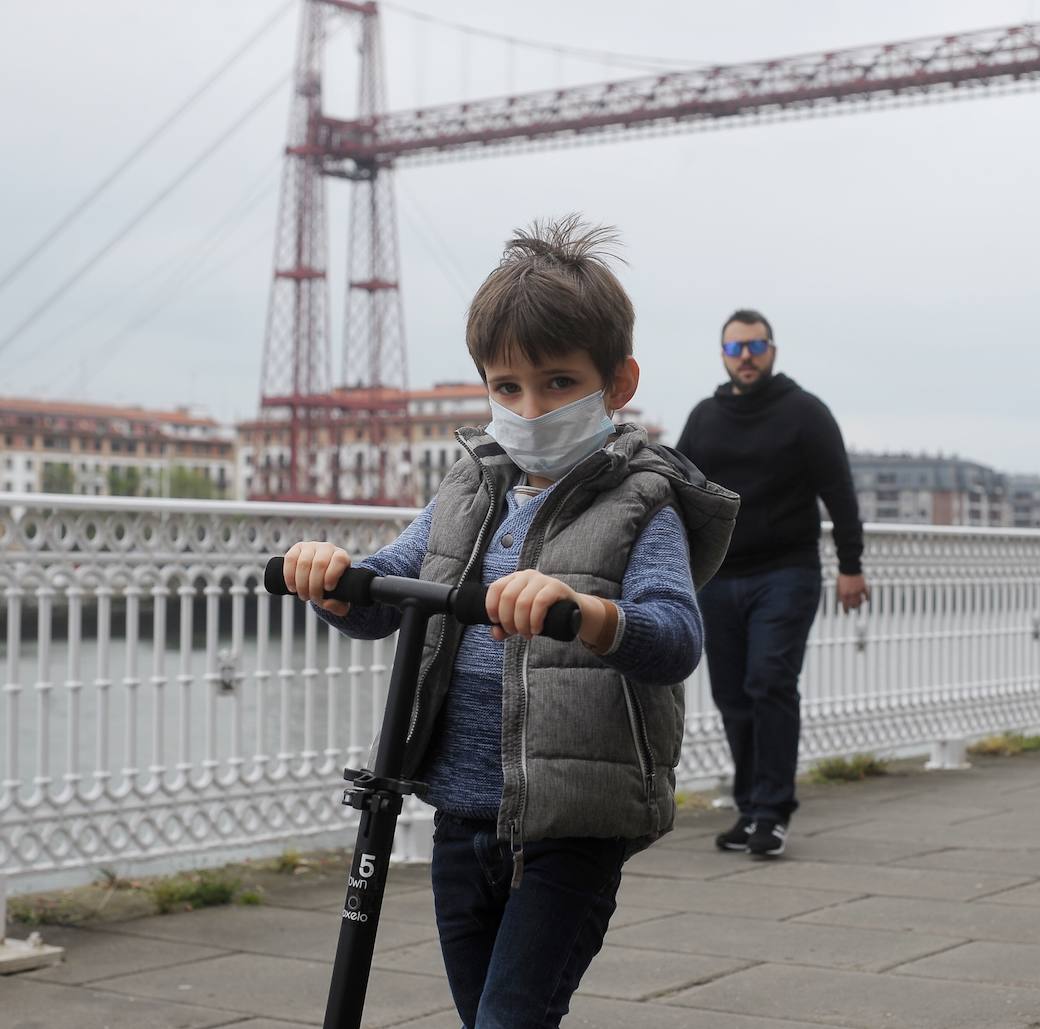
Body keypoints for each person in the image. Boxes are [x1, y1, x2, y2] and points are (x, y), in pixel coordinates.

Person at [281, 216, 738, 1027]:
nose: (530, 407)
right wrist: (333, 577)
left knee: (510, 1018)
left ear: (617, 383)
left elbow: (674, 637)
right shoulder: (468, 489)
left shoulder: (641, 502)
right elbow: (392, 587)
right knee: (481, 1014)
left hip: (572, 825)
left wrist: (587, 613)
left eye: (559, 383)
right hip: (460, 814)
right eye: (507, 387)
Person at [676, 308, 868, 859]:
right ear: (723, 357)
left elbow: (840, 492)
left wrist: (851, 566)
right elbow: (675, 492)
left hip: (787, 572)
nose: (746, 357)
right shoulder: (706, 418)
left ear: (773, 350)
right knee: (732, 696)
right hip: (718, 577)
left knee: (770, 682)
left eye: (755, 346)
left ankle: (774, 810)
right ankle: (749, 808)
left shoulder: (805, 413)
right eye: (735, 349)